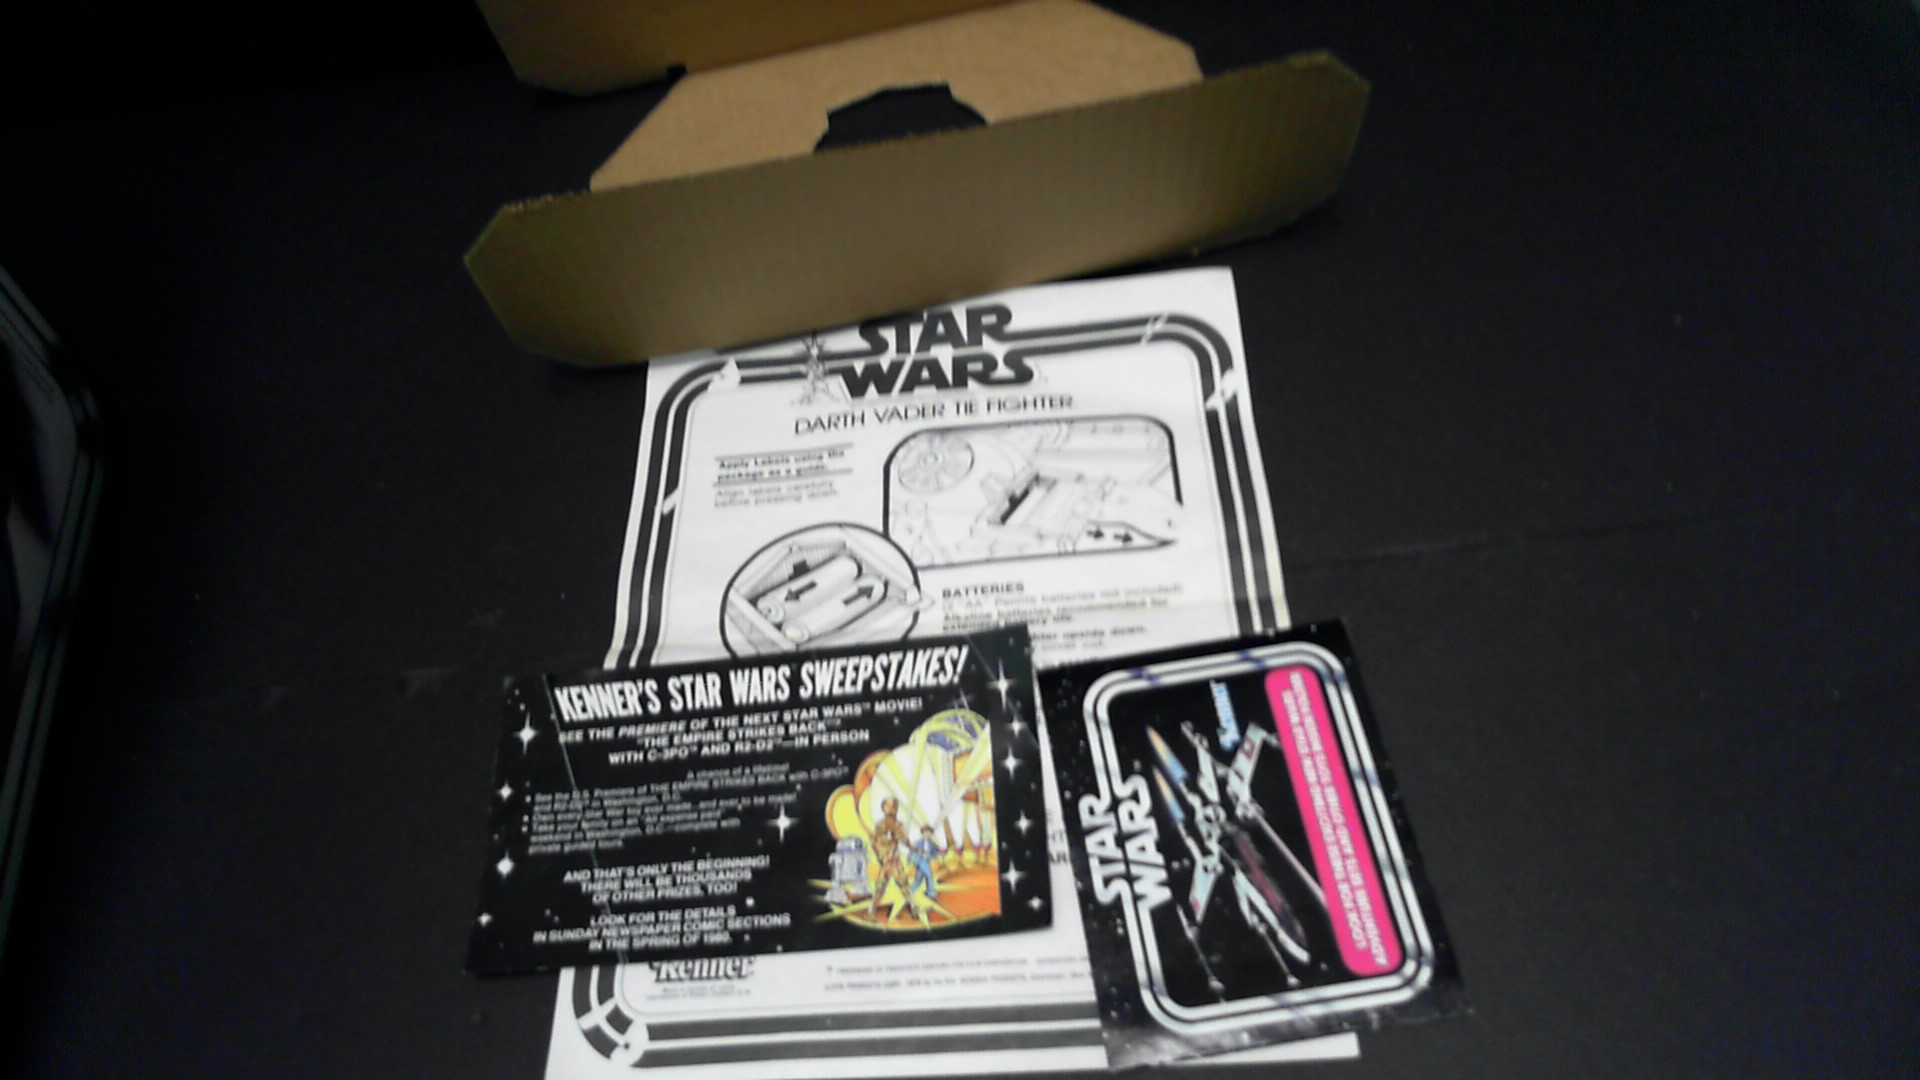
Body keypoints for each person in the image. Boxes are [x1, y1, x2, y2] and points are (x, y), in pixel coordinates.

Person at [908, 826, 941, 901]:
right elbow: (911, 851)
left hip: (926, 861)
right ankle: (931, 893)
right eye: (925, 832)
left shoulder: (931, 843)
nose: (927, 834)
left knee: (919, 878)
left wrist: (934, 856)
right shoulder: (918, 842)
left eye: (929, 833)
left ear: (931, 834)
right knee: (929, 874)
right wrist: (909, 862)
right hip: (919, 860)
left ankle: (910, 890)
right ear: (922, 833)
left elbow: (936, 850)